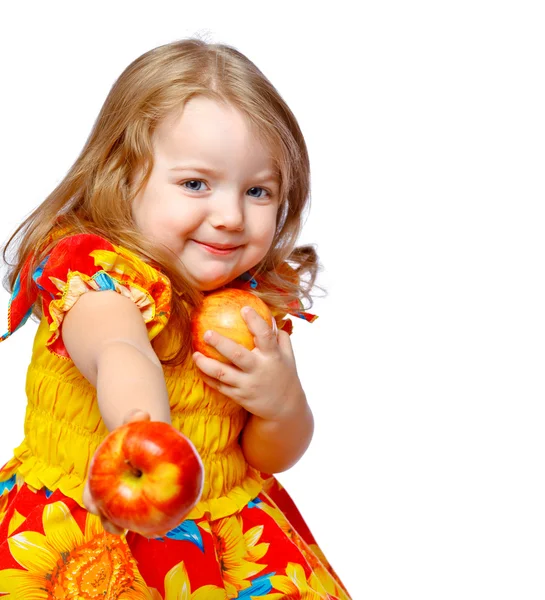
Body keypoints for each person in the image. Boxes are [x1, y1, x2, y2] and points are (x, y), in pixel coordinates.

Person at [0, 38, 351, 599]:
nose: (232, 216)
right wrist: (145, 431)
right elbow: (118, 348)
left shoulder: (249, 305)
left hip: (222, 542)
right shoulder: (97, 276)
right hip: (90, 532)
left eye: (258, 191)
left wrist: (281, 403)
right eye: (195, 184)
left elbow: (269, 456)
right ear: (123, 174)